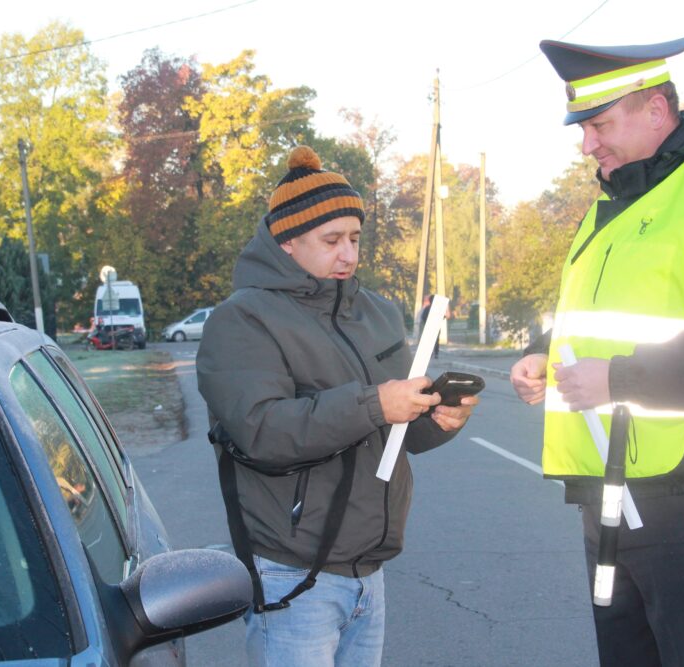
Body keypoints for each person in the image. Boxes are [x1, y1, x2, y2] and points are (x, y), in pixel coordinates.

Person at [510, 38, 684, 666]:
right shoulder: (610, 209)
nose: (588, 145)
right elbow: (606, 320)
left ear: (655, 111)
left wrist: (616, 379)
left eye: (600, 125)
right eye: (583, 129)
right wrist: (544, 354)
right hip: (608, 490)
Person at [197, 145, 478, 667]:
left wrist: (441, 418)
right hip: (292, 574)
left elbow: (402, 432)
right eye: (331, 240)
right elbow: (262, 431)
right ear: (286, 242)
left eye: (354, 238)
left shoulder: (375, 312)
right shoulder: (242, 321)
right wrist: (375, 403)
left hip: (369, 571)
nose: (348, 254)